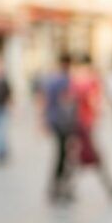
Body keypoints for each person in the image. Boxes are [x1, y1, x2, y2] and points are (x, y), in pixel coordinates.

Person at [69, 56, 112, 199]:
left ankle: (68, 188)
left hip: (79, 123)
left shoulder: (76, 81)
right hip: (86, 124)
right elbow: (93, 100)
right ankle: (111, 187)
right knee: (92, 157)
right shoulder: (90, 82)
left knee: (82, 158)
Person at [41, 54, 76, 203]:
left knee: (61, 154)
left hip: (56, 121)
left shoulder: (52, 80)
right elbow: (67, 101)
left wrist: (45, 120)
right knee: (64, 155)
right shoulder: (64, 80)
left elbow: (46, 101)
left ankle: (57, 186)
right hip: (64, 122)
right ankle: (60, 186)